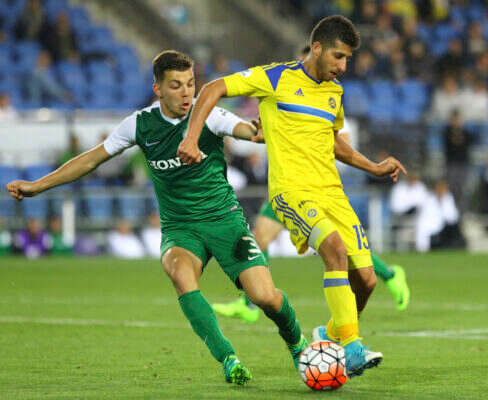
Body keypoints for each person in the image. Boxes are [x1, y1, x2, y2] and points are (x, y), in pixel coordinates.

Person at [6, 50, 307, 386]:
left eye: (190, 84)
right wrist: (38, 185)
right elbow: (92, 159)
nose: (186, 93)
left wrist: (253, 131)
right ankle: (228, 358)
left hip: (225, 221)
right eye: (176, 85)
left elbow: (241, 128)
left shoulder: (207, 113)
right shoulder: (140, 124)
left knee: (264, 296)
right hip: (181, 228)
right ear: (158, 89)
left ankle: (297, 343)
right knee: (179, 272)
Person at [181, 15, 407, 378]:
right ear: (317, 48)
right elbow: (211, 89)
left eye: (347, 59)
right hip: (292, 192)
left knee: (366, 280)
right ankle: (351, 348)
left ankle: (329, 336)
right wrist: (191, 139)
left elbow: (333, 140)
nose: (343, 66)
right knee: (334, 251)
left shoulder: (334, 93)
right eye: (338, 56)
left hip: (333, 193)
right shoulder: (275, 78)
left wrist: (373, 166)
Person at [214, 46, 410, 323]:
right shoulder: (283, 88)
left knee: (340, 249)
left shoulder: (328, 97)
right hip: (288, 187)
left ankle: (388, 275)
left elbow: (337, 142)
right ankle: (250, 303)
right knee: (262, 238)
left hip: (320, 187)